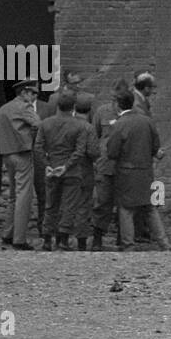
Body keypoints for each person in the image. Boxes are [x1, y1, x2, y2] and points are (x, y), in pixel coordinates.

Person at [107, 89, 171, 251]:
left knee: (126, 208)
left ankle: (128, 244)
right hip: (145, 170)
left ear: (117, 105)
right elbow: (155, 146)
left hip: (126, 172)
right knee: (149, 207)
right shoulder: (147, 121)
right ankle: (164, 243)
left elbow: (112, 152)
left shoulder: (119, 124)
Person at [34, 89, 90, 250]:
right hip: (71, 171)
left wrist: (48, 165)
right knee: (69, 206)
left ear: (58, 105)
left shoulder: (46, 123)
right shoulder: (80, 125)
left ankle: (46, 239)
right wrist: (65, 166)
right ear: (73, 107)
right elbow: (79, 151)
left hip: (51, 169)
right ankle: (62, 239)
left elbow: (38, 147)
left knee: (50, 205)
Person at [0, 79, 41, 250]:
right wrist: (33, 137)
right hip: (22, 154)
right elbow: (39, 124)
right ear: (24, 93)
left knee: (14, 196)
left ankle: (7, 233)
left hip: (7, 154)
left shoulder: (4, 108)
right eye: (33, 93)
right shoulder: (25, 107)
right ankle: (19, 238)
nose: (35, 97)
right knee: (24, 196)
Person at [89, 81, 129, 252]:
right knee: (102, 201)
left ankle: (123, 237)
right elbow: (94, 134)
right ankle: (97, 237)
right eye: (113, 98)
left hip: (125, 165)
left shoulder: (132, 114)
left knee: (124, 203)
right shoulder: (102, 111)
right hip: (105, 164)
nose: (115, 102)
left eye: (118, 99)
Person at [73, 90, 100, 250]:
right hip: (84, 171)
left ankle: (61, 237)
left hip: (64, 170)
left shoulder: (65, 123)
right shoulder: (89, 128)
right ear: (89, 110)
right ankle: (81, 240)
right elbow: (93, 152)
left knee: (66, 204)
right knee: (83, 206)